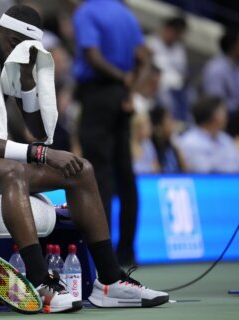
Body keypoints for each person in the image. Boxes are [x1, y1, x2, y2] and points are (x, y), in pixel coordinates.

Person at [0, 4, 168, 313]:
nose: (17, 53)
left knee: (81, 169)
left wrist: (27, 83)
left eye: (24, 49)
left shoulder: (8, 64)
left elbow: (36, 133)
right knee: (14, 173)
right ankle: (39, 280)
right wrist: (42, 153)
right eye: (12, 43)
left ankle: (109, 280)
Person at [72, 0, 150, 267]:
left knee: (98, 174)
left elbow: (92, 55)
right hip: (121, 98)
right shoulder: (126, 14)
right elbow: (143, 57)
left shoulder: (87, 12)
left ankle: (100, 252)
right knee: (125, 174)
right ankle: (126, 251)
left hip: (99, 95)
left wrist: (120, 78)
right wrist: (130, 90)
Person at [177, 96, 239, 173]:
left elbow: (236, 165)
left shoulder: (226, 139)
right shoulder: (190, 142)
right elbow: (203, 171)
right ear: (212, 115)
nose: (226, 115)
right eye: (223, 111)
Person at [147, 16, 189, 121]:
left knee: (190, 95)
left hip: (176, 87)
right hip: (156, 84)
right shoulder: (151, 43)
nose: (177, 36)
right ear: (167, 28)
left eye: (180, 33)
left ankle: (182, 122)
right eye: (176, 32)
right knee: (165, 95)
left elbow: (184, 73)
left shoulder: (179, 50)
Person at [202, 29, 239, 139]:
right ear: (234, 45)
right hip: (220, 114)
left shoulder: (236, 67)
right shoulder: (216, 68)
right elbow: (214, 101)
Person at [150, 106, 186, 173]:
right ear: (158, 126)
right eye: (168, 119)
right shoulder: (151, 148)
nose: (172, 122)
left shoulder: (173, 147)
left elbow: (185, 171)